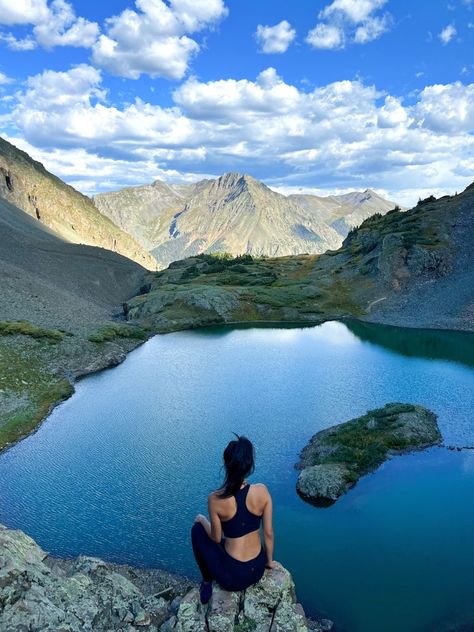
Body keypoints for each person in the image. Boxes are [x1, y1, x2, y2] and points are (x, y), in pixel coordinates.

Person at [191, 435, 275, 604]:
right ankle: (210, 580)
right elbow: (268, 533)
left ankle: (207, 581)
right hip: (257, 569)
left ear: (226, 464)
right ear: (249, 464)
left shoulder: (215, 499)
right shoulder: (262, 491)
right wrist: (269, 562)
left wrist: (202, 519)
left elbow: (215, 538)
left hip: (233, 578)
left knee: (197, 530)